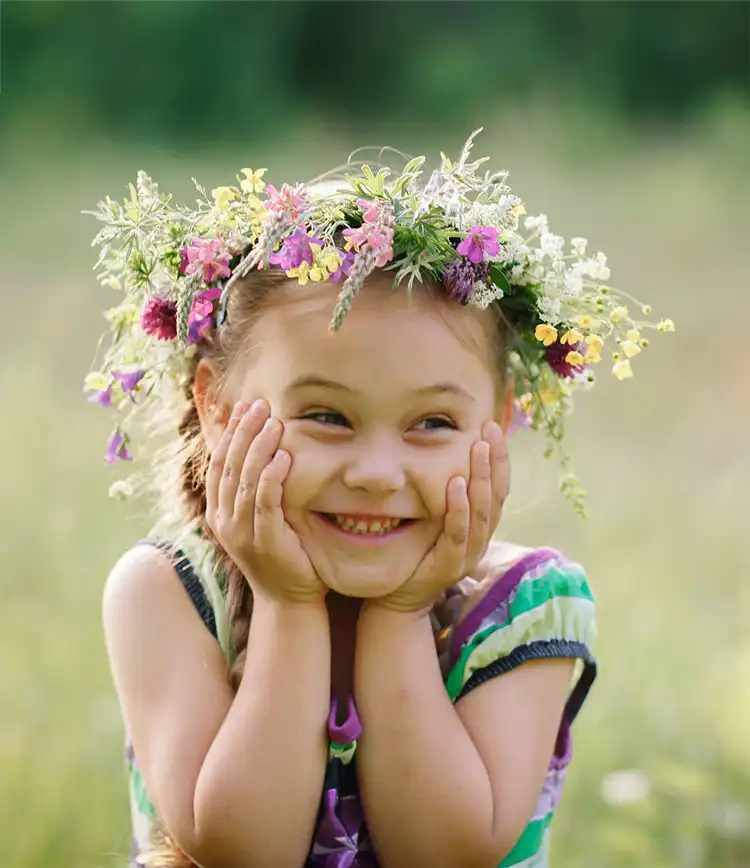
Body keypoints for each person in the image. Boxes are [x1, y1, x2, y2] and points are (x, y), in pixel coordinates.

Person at [84, 131, 673, 868]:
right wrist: (288, 604)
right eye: (327, 416)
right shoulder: (168, 591)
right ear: (218, 405)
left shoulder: (527, 609)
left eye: (432, 423)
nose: (376, 472)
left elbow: (444, 853)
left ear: (498, 421)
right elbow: (244, 851)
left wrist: (398, 617)